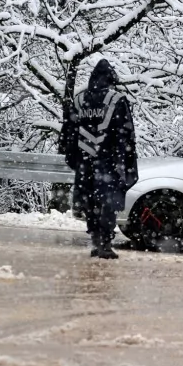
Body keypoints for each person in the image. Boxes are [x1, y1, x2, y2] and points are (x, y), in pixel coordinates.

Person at [61, 59, 139, 259]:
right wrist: (127, 163)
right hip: (109, 162)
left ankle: (96, 240)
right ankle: (105, 242)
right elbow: (126, 134)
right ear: (110, 79)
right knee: (108, 203)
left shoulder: (79, 100)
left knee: (90, 203)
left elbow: (68, 133)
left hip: (85, 162)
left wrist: (74, 159)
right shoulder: (117, 99)